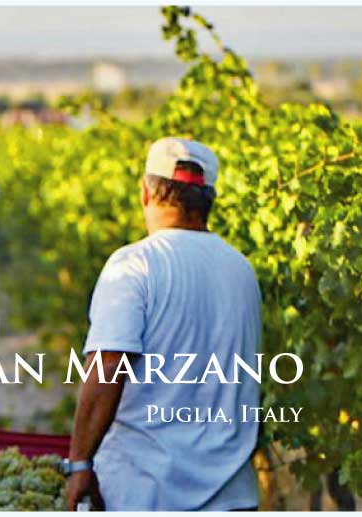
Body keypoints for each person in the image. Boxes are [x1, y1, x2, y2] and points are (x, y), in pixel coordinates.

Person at [64, 137, 261, 511]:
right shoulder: (242, 270)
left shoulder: (133, 265)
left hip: (149, 494)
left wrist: (79, 463)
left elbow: (107, 367)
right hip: (234, 496)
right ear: (209, 202)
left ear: (145, 193)